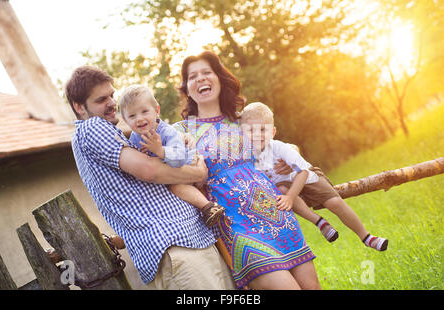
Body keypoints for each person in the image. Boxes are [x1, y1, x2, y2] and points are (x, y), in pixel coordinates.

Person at [65, 66, 235, 289]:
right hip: (174, 247)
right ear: (79, 107)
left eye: (111, 95)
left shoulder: (113, 134)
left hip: (189, 241)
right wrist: (197, 172)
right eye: (101, 99)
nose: (111, 103)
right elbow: (149, 170)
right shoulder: (91, 127)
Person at [173, 51, 321, 290]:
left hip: (276, 212)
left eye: (207, 72)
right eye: (192, 76)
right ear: (187, 88)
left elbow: (279, 146)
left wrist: (290, 151)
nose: (200, 79)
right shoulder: (181, 131)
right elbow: (174, 179)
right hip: (237, 226)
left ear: (220, 79)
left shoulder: (243, 119)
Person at [240, 101, 389, 251]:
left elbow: (303, 172)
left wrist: (291, 197)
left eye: (262, 130)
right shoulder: (246, 158)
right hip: (285, 187)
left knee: (334, 203)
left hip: (307, 176)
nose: (257, 135)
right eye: (251, 130)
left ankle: (367, 237)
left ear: (272, 132)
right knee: (282, 191)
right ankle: (319, 222)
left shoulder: (279, 148)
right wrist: (289, 196)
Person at [118, 84, 225, 227]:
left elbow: (179, 159)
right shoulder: (134, 137)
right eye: (132, 115)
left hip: (189, 164)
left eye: (144, 111)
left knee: (175, 186)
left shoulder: (167, 132)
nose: (139, 118)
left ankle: (208, 207)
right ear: (125, 120)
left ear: (156, 111)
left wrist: (160, 151)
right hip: (168, 171)